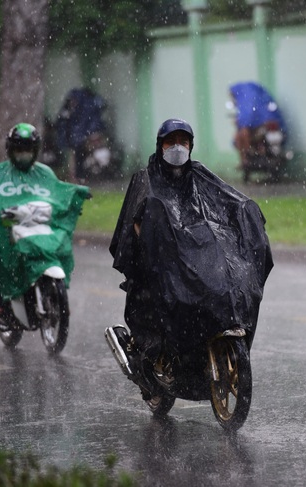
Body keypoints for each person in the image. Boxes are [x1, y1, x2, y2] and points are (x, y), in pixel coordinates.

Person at [109, 118, 273, 381]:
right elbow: (138, 220)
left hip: (194, 256)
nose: (177, 148)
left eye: (182, 142)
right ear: (160, 145)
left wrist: (246, 213)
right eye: (171, 142)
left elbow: (230, 200)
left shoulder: (199, 175)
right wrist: (153, 240)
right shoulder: (146, 178)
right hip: (162, 262)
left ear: (191, 146)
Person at [0, 123, 91, 315]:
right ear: (10, 150)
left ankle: (45, 287)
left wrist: (75, 194)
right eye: (19, 149)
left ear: (35, 151)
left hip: (38, 224)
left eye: (28, 149)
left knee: (56, 246)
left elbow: (57, 194)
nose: (23, 154)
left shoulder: (45, 173)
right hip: (8, 224)